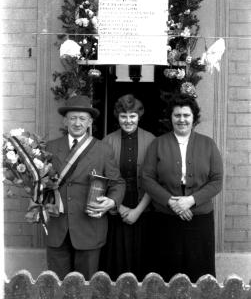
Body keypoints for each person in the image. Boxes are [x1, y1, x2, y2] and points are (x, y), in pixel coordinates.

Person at [142, 93, 223, 283]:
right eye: (177, 115)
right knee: (166, 272)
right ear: (171, 118)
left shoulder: (208, 144)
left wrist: (190, 201)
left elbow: (217, 180)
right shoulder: (158, 144)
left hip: (199, 219)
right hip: (166, 219)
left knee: (199, 273)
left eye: (186, 115)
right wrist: (172, 202)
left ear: (193, 117)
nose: (182, 119)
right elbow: (147, 178)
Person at [45, 95, 125, 280]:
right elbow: (42, 182)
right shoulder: (50, 147)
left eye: (82, 118)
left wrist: (111, 201)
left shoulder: (103, 149)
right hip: (57, 226)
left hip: (89, 226)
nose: (77, 123)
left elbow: (118, 183)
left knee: (86, 285)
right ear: (65, 120)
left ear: (89, 122)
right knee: (56, 284)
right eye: (73, 118)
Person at [99, 94, 155, 280]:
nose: (128, 121)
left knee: (141, 254)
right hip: (116, 205)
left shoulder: (152, 140)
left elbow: (154, 180)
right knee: (116, 256)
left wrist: (138, 211)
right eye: (124, 116)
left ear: (139, 116)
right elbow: (104, 179)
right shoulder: (107, 141)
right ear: (118, 117)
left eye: (132, 116)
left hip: (143, 205)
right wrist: (119, 207)